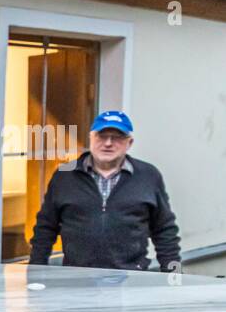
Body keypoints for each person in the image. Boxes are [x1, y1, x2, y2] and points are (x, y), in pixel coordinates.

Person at [28, 110, 180, 272]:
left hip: (130, 278)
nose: (108, 143)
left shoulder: (148, 176)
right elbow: (45, 229)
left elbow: (165, 231)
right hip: (77, 278)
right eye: (102, 136)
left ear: (129, 143)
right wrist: (35, 273)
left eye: (117, 137)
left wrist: (175, 277)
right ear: (91, 138)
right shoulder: (64, 176)